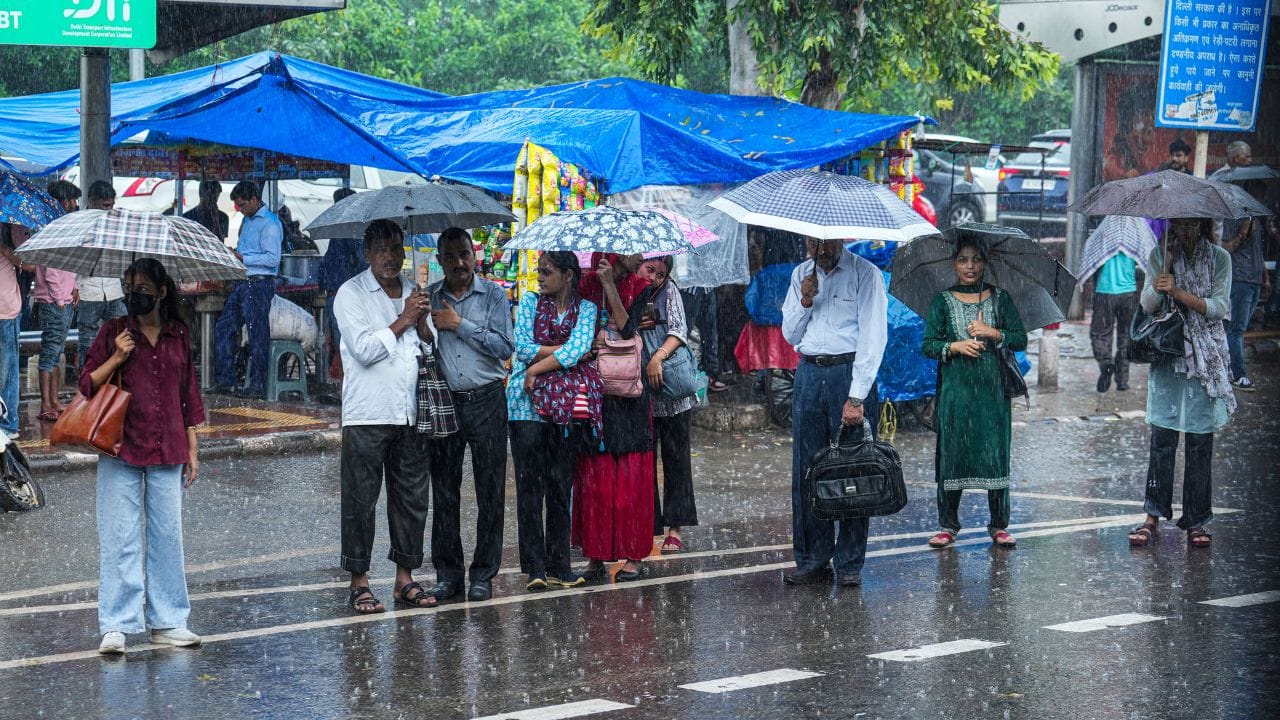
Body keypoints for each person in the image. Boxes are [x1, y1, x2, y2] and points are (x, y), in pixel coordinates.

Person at [81, 258, 205, 654]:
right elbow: (86, 385)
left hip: (168, 446)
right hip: (121, 448)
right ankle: (116, 625)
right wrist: (116, 357)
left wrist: (193, 449)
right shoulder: (112, 332)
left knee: (167, 537)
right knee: (120, 538)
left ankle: (168, 621)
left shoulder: (178, 334)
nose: (135, 295)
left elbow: (188, 394)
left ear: (162, 291)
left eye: (144, 289)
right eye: (130, 286)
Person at [332, 219, 437, 613]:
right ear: (367, 253)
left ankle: (404, 579)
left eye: (397, 248)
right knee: (361, 499)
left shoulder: (413, 291)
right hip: (367, 413)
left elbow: (428, 349)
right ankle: (359, 581)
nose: (391, 257)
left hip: (409, 411)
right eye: (382, 249)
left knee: (411, 498)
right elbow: (363, 350)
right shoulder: (351, 293)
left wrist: (424, 325)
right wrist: (404, 320)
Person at [780, 237, 887, 587]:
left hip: (848, 373)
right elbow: (790, 334)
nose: (821, 249)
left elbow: (873, 337)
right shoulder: (800, 274)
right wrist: (806, 299)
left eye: (828, 242)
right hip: (809, 373)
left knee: (853, 470)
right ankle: (813, 557)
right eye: (814, 243)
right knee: (808, 469)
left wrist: (857, 396)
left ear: (841, 238)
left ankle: (849, 561)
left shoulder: (865, 274)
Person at [1127, 218, 1236, 549]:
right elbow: (1147, 305)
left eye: (1191, 223)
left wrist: (1178, 293)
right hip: (1169, 355)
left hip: (1206, 359)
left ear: (1201, 224)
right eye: (1179, 223)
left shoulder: (1219, 258)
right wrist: (1165, 274)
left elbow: (1218, 308)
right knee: (1162, 438)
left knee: (1200, 443)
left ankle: (1197, 520)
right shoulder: (1160, 255)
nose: (1184, 230)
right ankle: (1152, 516)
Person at [424, 228, 515, 602]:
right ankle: (447, 574)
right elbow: (423, 346)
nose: (459, 263)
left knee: (489, 490)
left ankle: (483, 573)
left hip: (487, 398)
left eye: (464, 254)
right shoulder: (429, 297)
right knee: (444, 490)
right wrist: (423, 324)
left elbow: (503, 346)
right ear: (441, 261)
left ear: (474, 256)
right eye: (450, 257)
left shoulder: (493, 294)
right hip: (446, 401)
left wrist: (459, 325)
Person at [921, 240, 1028, 550]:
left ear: (985, 263)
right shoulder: (941, 301)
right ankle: (948, 525)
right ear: (954, 264)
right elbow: (928, 345)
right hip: (956, 396)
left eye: (976, 260)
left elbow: (1019, 339)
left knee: (996, 455)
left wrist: (994, 333)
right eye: (963, 260)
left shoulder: (1000, 299)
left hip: (992, 397)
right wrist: (954, 346)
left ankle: (998, 525)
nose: (969, 266)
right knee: (951, 457)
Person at [508, 251, 600, 591]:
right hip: (524, 406)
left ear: (568, 275)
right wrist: (561, 350)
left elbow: (576, 349)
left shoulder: (587, 309)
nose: (540, 278)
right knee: (529, 488)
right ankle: (534, 567)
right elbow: (522, 346)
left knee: (561, 485)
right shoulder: (530, 302)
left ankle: (560, 564)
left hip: (566, 409)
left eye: (547, 272)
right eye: (538, 271)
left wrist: (536, 366)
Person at [574, 252, 655, 582]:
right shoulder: (585, 286)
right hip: (596, 390)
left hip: (631, 392)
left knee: (630, 475)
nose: (640, 258)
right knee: (596, 472)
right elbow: (578, 327)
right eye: (635, 253)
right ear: (615, 253)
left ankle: (633, 554)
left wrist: (610, 285)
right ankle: (595, 556)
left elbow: (627, 327)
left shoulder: (640, 287)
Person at [637, 256, 698, 553]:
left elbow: (679, 330)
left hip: (672, 387)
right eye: (650, 270)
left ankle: (675, 527)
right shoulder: (629, 291)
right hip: (640, 389)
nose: (655, 278)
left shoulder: (669, 291)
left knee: (676, 458)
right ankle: (648, 525)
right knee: (644, 459)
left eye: (661, 274)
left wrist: (658, 357)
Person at [213, 180, 282, 399]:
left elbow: (273, 259)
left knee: (257, 335)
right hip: (243, 282)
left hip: (260, 284)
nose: (240, 210)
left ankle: (257, 386)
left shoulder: (270, 224)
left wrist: (243, 257)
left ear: (254, 199)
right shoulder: (248, 221)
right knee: (224, 328)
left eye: (243, 205)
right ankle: (226, 381)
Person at [1220, 180, 1270, 392]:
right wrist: (1243, 231)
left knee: (1240, 327)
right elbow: (1226, 246)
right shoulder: (1235, 218)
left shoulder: (1257, 220)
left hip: (1255, 278)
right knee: (1237, 329)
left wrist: (1265, 277)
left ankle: (1229, 367)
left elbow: (1258, 251)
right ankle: (1238, 375)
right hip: (1240, 278)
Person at [25, 222, 77, 421]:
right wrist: (61, 300)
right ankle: (46, 403)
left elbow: (68, 272)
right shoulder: (52, 241)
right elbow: (51, 275)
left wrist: (72, 290)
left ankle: (53, 401)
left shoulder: (63, 242)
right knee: (50, 353)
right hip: (54, 303)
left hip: (63, 301)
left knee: (56, 352)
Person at [75, 180, 127, 371]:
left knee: (123, 333)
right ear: (93, 201)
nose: (110, 209)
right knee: (87, 340)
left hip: (113, 290)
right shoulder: (80, 223)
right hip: (88, 290)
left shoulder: (116, 223)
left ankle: (118, 380)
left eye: (112, 205)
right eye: (106, 205)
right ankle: (86, 383)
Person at [316, 188, 367, 379]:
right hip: (336, 292)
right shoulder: (345, 227)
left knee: (344, 342)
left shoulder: (350, 228)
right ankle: (343, 382)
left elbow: (362, 261)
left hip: (341, 293)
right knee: (341, 342)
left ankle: (347, 383)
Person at [1090, 251, 1139, 393]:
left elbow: (1094, 263)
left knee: (1100, 333)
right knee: (1126, 337)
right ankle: (1122, 380)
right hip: (1128, 292)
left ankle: (1106, 363)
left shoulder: (1104, 238)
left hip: (1105, 290)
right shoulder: (1132, 239)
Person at [680, 285, 728, 391]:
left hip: (707, 287)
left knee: (710, 331)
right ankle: (681, 373)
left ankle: (710, 375)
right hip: (689, 288)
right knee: (684, 331)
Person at [0, 228, 22, 438]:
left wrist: (6, 250)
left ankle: (7, 424)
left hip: (6, 312)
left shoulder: (8, 240)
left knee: (6, 371)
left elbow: (29, 265)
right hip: (7, 310)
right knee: (7, 370)